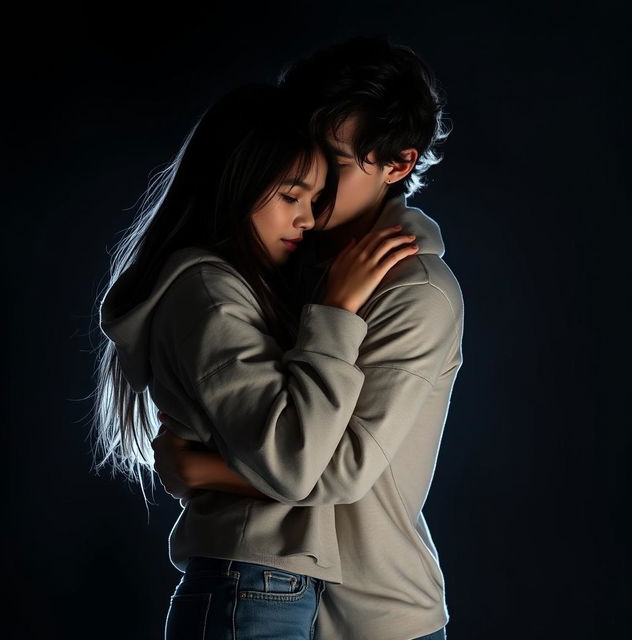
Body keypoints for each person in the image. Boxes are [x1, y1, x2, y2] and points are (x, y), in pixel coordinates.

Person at [152, 35, 463, 640]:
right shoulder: (281, 259)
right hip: (273, 594)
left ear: (398, 164)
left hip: (376, 617)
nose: (309, 178)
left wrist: (205, 471)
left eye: (333, 161)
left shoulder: (416, 292)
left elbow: (339, 470)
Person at [93, 82, 417, 639]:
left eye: (314, 201)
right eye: (292, 197)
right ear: (234, 185)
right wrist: (337, 310)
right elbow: (297, 463)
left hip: (262, 583)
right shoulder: (210, 297)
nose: (309, 220)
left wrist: (204, 470)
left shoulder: (233, 288)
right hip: (251, 584)